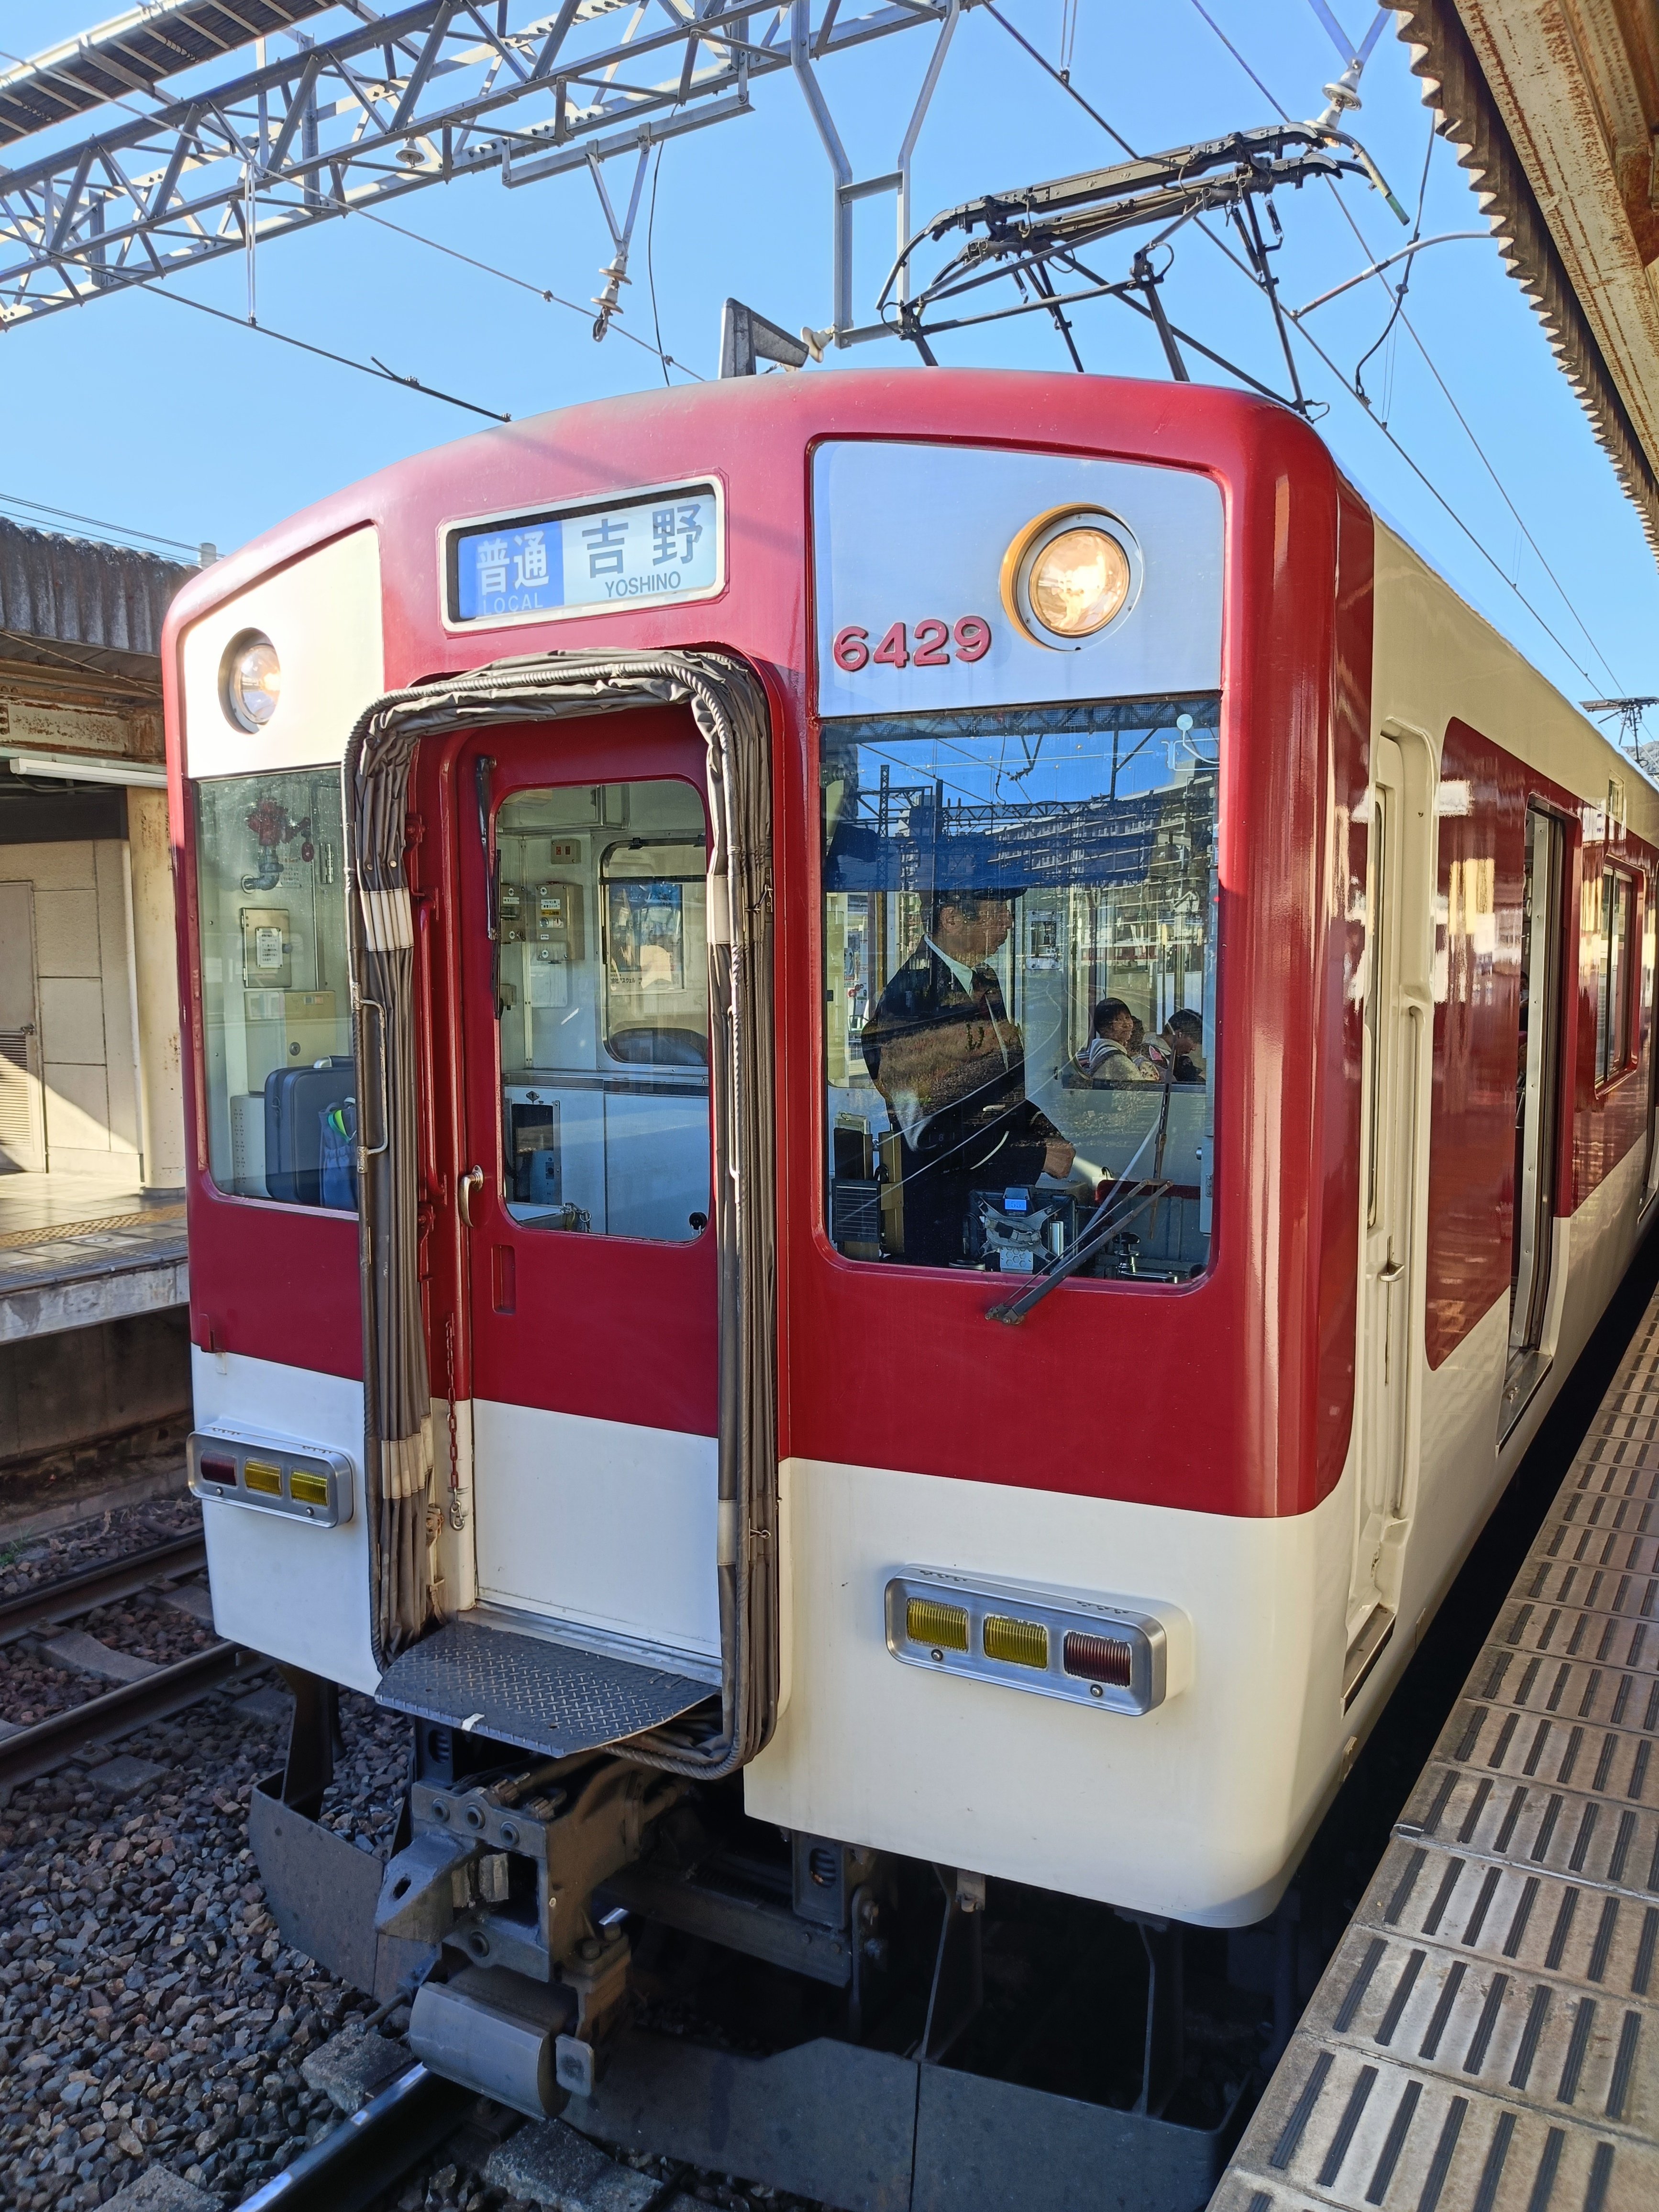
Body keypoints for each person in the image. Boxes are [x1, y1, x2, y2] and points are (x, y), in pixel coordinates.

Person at [862, 888, 1084, 1266]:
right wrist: (1032, 1155)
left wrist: (1043, 1132)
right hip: (944, 1210)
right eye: (996, 912)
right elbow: (927, 1132)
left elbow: (1002, 1085)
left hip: (984, 1199)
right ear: (951, 919)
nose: (1009, 922)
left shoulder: (983, 980)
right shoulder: (914, 1001)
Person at [1075, 999, 1154, 1084]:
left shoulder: (1101, 1049)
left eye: (1127, 1018)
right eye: (1118, 1020)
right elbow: (1141, 1090)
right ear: (1103, 1028)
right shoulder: (1117, 1059)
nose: (1127, 1024)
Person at [1144, 1008, 1205, 1084]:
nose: (1194, 1048)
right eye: (1194, 1041)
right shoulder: (1151, 1053)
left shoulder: (1179, 1059)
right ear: (1179, 1034)